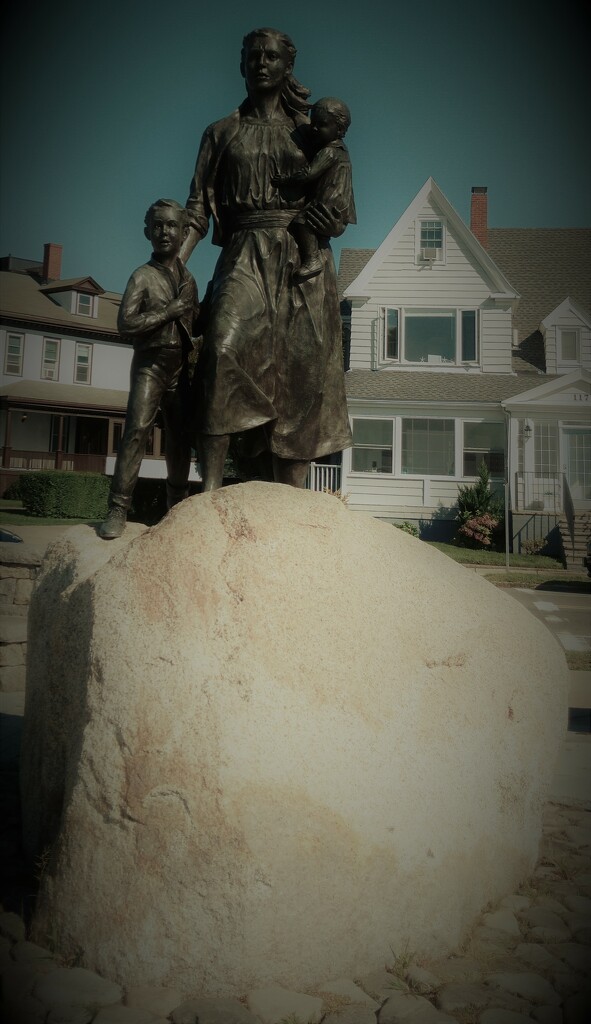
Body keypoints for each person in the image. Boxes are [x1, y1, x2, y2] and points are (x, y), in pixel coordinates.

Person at [180, 27, 353, 491]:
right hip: (242, 252)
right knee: (220, 350)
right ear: (241, 65)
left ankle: (291, 506)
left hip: (302, 261)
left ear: (287, 66)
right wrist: (176, 265)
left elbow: (337, 187)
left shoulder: (310, 131)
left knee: (298, 382)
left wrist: (330, 219)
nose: (261, 62)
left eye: (271, 57)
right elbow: (197, 207)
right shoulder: (221, 132)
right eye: (253, 56)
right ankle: (210, 495)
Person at [99, 199, 199, 540]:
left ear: (185, 232)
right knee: (136, 431)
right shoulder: (142, 276)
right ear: (147, 232)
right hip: (150, 365)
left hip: (180, 369)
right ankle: (117, 508)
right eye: (157, 226)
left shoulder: (189, 280)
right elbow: (125, 323)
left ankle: (176, 509)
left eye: (171, 226)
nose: (164, 232)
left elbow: (197, 325)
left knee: (180, 440)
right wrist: (168, 312)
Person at [271, 96, 356, 281]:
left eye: (322, 124)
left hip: (328, 200)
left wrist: (285, 180)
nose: (314, 128)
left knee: (301, 221)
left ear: (339, 129)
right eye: (313, 122)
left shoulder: (329, 152)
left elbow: (309, 174)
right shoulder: (343, 151)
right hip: (338, 202)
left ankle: (312, 259)